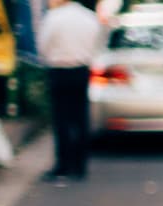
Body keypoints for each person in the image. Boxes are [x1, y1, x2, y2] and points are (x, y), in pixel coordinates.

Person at [36, 0, 102, 182]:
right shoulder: (89, 17)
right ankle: (80, 165)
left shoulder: (54, 17)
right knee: (80, 117)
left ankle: (63, 164)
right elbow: (97, 44)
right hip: (81, 70)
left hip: (59, 70)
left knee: (61, 119)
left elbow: (43, 45)